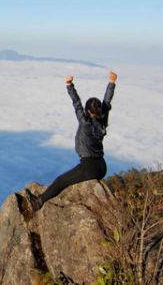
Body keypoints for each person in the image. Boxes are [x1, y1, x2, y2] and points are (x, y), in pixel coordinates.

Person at [25, 71, 118, 215]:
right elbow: (106, 102)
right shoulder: (103, 119)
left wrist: (69, 85)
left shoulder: (85, 122)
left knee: (61, 181)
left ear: (88, 111)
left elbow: (77, 104)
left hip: (89, 167)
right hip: (102, 166)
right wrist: (111, 83)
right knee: (65, 179)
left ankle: (38, 203)